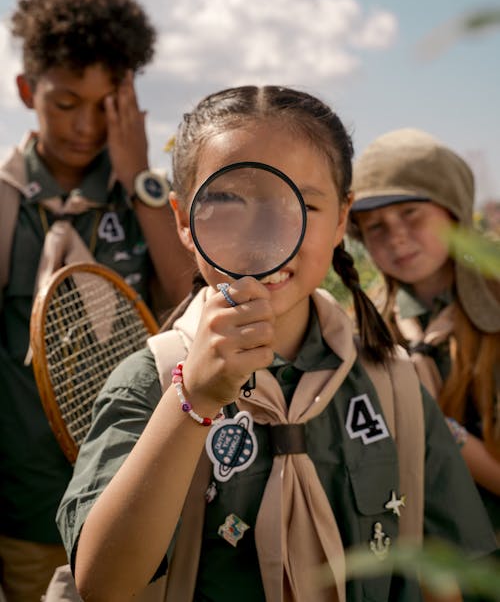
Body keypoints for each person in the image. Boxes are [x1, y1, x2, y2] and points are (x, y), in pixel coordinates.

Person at [56, 87, 496, 602]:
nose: (266, 233)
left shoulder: (393, 384)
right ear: (182, 219)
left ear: (340, 219)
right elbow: (103, 584)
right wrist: (191, 404)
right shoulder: (150, 383)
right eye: (227, 200)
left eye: (304, 204)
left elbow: (441, 576)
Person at [0, 0, 193, 602]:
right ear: (27, 90)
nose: (85, 126)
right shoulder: (6, 204)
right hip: (27, 512)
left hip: (136, 505)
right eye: (65, 103)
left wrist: (139, 174)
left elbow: (189, 286)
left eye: (105, 104)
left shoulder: (146, 196)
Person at [348, 127, 500, 539]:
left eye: (411, 213)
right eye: (374, 226)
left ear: (453, 211)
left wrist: (431, 420)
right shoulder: (363, 328)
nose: (396, 236)